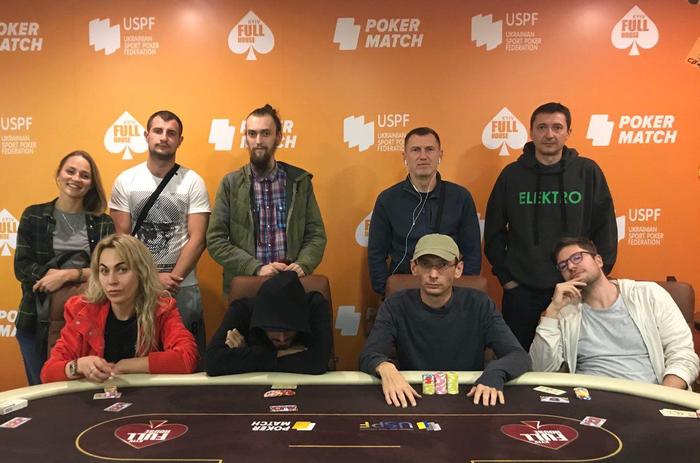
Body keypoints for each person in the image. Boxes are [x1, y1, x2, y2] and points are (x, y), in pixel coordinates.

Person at [484, 102, 617, 350]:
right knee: (520, 361)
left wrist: (596, 277)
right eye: (542, 127)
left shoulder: (587, 172)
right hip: (522, 294)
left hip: (578, 289)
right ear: (531, 132)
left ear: (568, 132)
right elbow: (493, 231)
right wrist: (507, 280)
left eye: (557, 127)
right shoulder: (512, 175)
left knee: (578, 360)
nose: (549, 134)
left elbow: (605, 227)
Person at [359, 234, 530, 407]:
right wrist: (385, 367)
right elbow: (369, 355)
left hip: (470, 397)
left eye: (442, 265)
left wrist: (494, 372)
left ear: (458, 269)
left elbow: (518, 355)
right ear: (414, 267)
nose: (433, 274)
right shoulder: (395, 305)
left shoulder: (480, 304)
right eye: (425, 264)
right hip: (411, 397)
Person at [530, 237, 699, 389]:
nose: (571, 266)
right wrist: (552, 311)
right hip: (588, 401)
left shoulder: (648, 295)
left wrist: (663, 396)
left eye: (577, 257)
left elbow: (683, 355)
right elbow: (541, 369)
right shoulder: (565, 312)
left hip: (647, 397)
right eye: (563, 266)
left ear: (598, 260)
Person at [109, 110, 210, 354]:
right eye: (158, 131)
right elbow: (121, 239)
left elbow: (198, 239)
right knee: (139, 357)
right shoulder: (126, 180)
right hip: (136, 285)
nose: (164, 137)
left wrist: (172, 280)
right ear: (147, 135)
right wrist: (151, 278)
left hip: (182, 287)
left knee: (188, 358)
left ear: (179, 140)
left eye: (171, 133)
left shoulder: (193, 181)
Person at [14, 150, 114, 385]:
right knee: (41, 391)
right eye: (70, 171)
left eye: (84, 175)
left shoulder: (103, 223)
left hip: (89, 322)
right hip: (36, 321)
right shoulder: (33, 216)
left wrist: (68, 275)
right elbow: (22, 266)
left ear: (91, 184)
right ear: (58, 175)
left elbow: (108, 269)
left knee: (86, 391)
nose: (76, 178)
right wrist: (47, 276)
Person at [40, 234, 198, 383]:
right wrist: (77, 366)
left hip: (144, 397)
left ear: (141, 273)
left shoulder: (161, 308)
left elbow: (187, 359)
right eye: (104, 271)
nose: (111, 281)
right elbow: (48, 373)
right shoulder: (82, 310)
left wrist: (126, 366)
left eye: (122, 269)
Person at [207, 104, 326, 295]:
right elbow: (215, 240)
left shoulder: (299, 181)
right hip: (247, 287)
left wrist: (304, 264)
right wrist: (255, 268)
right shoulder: (231, 183)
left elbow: (316, 234)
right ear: (246, 137)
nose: (258, 141)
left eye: (265, 133)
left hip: (291, 285)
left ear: (278, 137)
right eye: (252, 134)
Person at [367, 127, 481, 296]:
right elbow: (376, 253)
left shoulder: (460, 197)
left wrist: (462, 292)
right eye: (415, 150)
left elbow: (472, 253)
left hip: (450, 292)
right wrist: (386, 292)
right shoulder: (388, 199)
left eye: (429, 149)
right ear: (405, 156)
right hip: (403, 291)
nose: (423, 156)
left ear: (440, 155)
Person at [205, 271, 332, 375]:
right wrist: (281, 354)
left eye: (289, 329)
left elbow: (318, 362)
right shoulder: (241, 311)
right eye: (274, 330)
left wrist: (247, 354)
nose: (282, 338)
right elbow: (212, 362)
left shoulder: (315, 305)